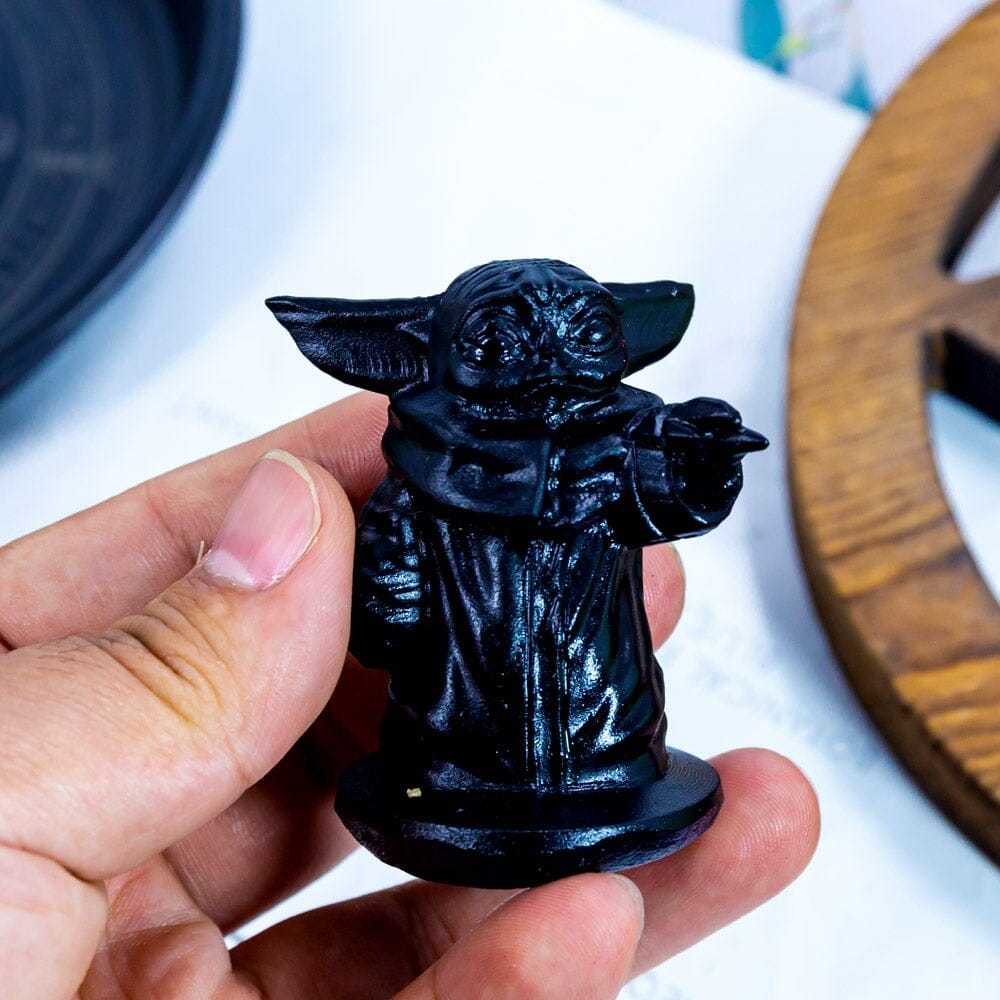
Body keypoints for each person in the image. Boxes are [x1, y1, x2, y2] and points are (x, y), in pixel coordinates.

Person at [0, 392, 819, 999]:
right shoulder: (419, 487)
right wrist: (385, 591)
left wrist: (700, 457)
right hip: (453, 762)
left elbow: (669, 491)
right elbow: (383, 618)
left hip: (610, 749)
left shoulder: (610, 466)